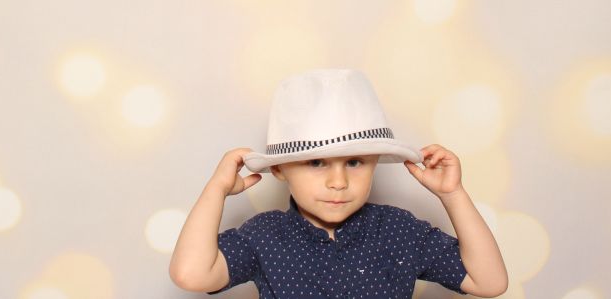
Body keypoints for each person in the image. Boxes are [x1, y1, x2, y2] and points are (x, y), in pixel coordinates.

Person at [169, 68, 508, 298]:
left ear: (374, 162)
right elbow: (191, 274)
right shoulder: (265, 236)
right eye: (316, 163)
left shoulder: (398, 231)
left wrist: (453, 195)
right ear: (280, 170)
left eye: (354, 162)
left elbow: (489, 282)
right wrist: (216, 191)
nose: (338, 182)